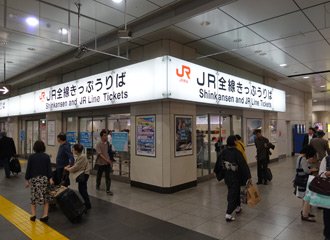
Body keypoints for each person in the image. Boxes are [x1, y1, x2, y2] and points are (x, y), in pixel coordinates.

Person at [219, 135, 251, 222]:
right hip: (235, 177)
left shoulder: (224, 152)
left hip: (227, 177)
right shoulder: (237, 153)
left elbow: (220, 164)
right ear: (234, 142)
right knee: (233, 194)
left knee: (235, 192)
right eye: (236, 141)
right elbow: (243, 166)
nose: (237, 142)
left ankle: (238, 207)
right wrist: (248, 177)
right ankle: (228, 214)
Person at [25, 140, 53, 222]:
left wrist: (27, 180)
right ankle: (45, 215)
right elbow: (49, 169)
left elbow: (28, 169)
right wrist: (50, 178)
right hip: (44, 179)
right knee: (45, 198)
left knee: (34, 197)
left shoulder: (31, 157)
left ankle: (33, 215)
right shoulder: (47, 157)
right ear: (43, 147)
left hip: (34, 180)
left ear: (34, 148)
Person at [64, 143, 91, 210]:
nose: (72, 150)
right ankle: (87, 203)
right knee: (82, 189)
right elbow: (77, 165)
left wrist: (68, 169)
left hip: (84, 175)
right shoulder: (80, 156)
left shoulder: (82, 156)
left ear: (76, 150)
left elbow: (76, 167)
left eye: (73, 149)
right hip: (84, 174)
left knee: (82, 190)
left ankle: (88, 204)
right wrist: (70, 166)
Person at [294, 145, 317, 222]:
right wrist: (312, 169)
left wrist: (308, 163)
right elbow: (306, 171)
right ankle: (305, 215)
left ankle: (305, 211)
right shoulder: (303, 158)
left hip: (300, 179)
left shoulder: (299, 157)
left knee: (305, 197)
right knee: (306, 197)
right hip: (303, 180)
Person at [95, 129, 113, 195]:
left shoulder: (108, 143)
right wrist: (106, 160)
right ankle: (97, 185)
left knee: (108, 177)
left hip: (107, 163)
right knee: (99, 175)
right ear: (101, 136)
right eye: (105, 135)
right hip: (100, 163)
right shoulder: (98, 144)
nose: (106, 137)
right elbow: (100, 154)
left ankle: (108, 190)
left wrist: (110, 160)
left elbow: (109, 152)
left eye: (106, 135)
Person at [318, 156, 330, 240]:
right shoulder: (327, 159)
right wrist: (327, 173)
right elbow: (321, 174)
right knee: (328, 215)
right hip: (328, 192)